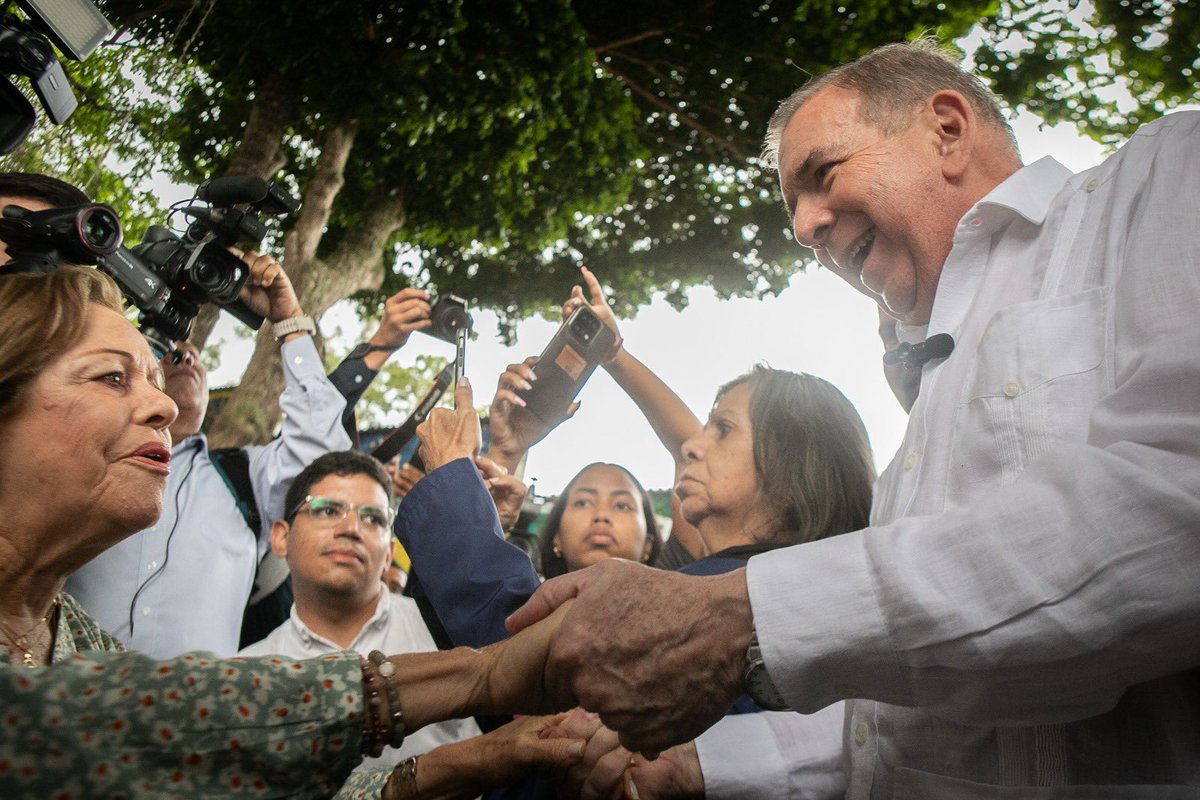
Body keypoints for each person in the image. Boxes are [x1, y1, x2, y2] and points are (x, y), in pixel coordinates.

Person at [506, 38, 1200, 797]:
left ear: (947, 129)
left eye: (822, 175)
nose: (804, 228)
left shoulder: (1163, 176)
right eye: (793, 208)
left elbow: (1176, 504)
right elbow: (906, 706)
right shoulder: (921, 427)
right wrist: (693, 765)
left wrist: (745, 614)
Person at [0, 265, 583, 798]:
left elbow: (218, 770)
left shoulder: (78, 638)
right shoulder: (236, 669)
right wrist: (480, 677)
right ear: (280, 535)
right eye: (110, 377)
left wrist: (468, 760)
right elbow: (156, 721)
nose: (164, 405)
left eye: (375, 516)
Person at [64, 248, 353, 659]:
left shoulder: (244, 477)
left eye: (193, 358)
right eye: (166, 356)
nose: (182, 357)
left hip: (204, 715)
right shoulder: (82, 454)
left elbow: (327, 455)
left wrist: (289, 322)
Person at [239, 449, 481, 769]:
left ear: (388, 554)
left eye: (373, 518)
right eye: (327, 510)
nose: (351, 528)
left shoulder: (448, 635)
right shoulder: (244, 676)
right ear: (281, 537)